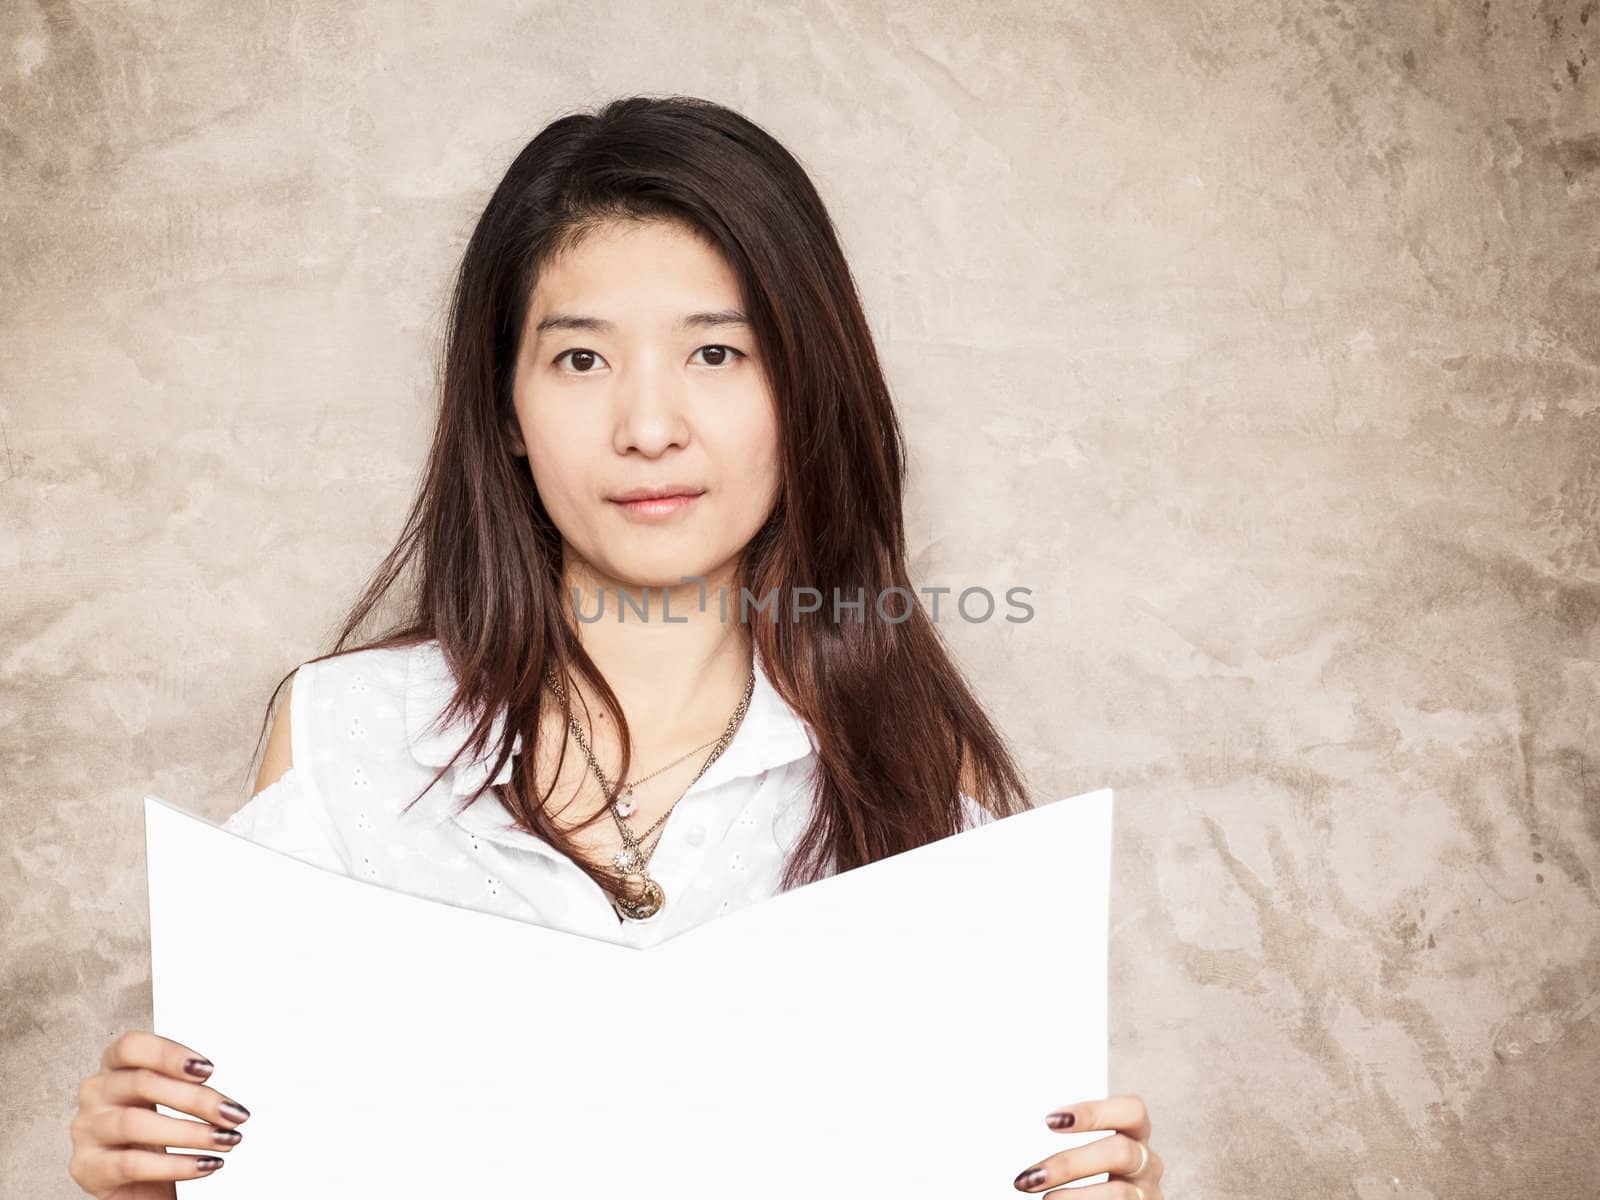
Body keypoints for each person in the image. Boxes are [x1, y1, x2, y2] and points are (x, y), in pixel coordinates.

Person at [68, 95, 1166, 1198]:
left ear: (803, 391)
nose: (649, 426)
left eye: (718, 353)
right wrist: (150, 1185)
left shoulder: (917, 766)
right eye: (582, 361)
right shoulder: (342, 734)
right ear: (504, 407)